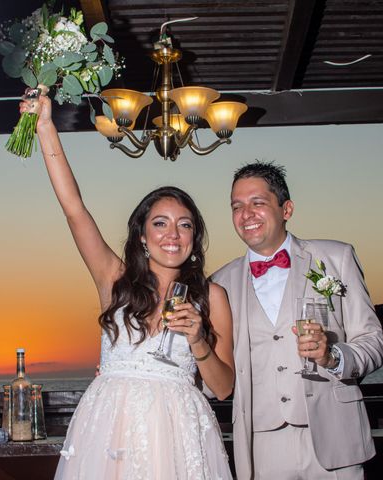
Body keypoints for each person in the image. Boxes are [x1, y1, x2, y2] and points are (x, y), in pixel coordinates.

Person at [21, 88, 235, 479]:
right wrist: (46, 127)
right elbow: (74, 209)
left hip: (178, 432)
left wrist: (198, 339)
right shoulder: (113, 278)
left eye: (184, 225)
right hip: (110, 430)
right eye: (160, 223)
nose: (173, 234)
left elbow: (223, 388)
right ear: (141, 235)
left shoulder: (212, 295)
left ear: (194, 237)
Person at [211, 161, 383, 479]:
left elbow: (374, 343)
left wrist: (333, 355)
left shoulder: (336, 258)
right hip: (260, 444)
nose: (245, 214)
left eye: (258, 203)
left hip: (334, 435)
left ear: (286, 209)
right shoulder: (219, 283)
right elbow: (214, 368)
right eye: (236, 206)